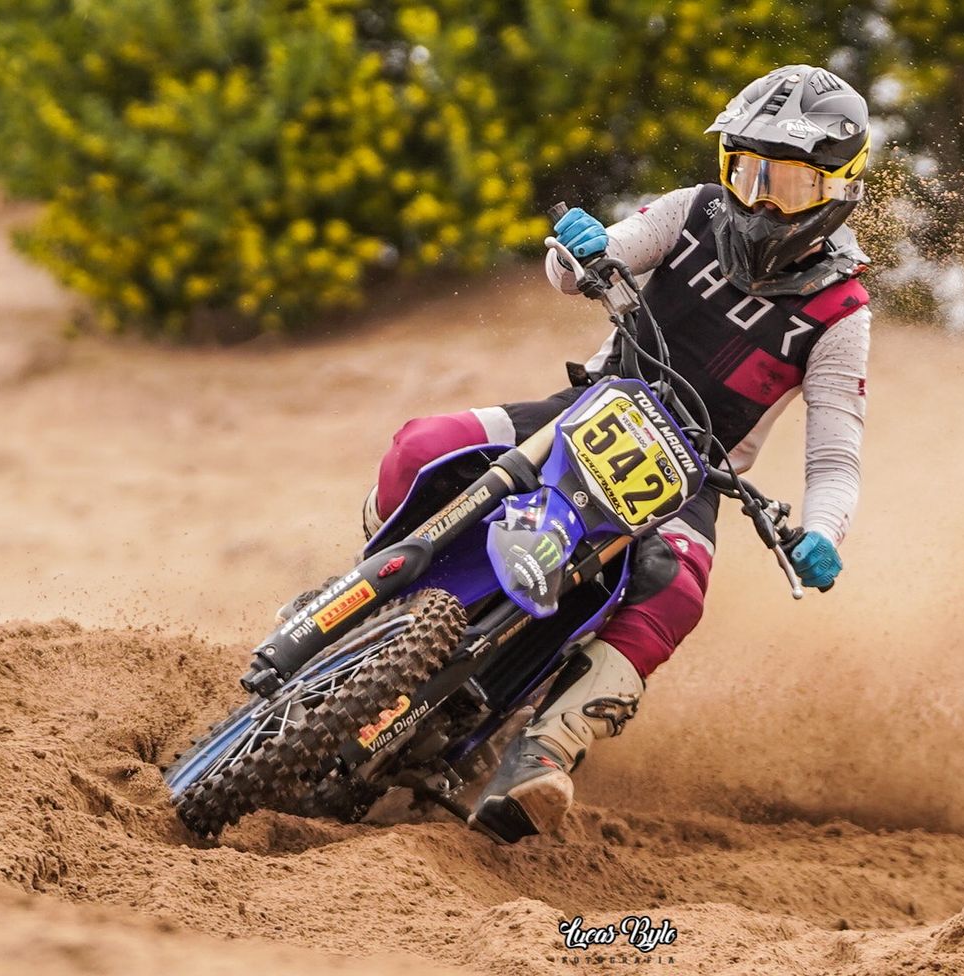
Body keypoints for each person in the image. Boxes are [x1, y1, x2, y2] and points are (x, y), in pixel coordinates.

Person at [364, 65, 873, 843]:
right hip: (587, 409)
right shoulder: (692, 210)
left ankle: (543, 750)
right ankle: (364, 601)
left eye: (790, 185)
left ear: (839, 190)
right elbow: (584, 268)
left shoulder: (841, 311)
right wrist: (580, 251)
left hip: (693, 476)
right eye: (748, 173)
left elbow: (834, 456)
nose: (761, 201)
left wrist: (823, 534)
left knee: (679, 593)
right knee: (424, 447)